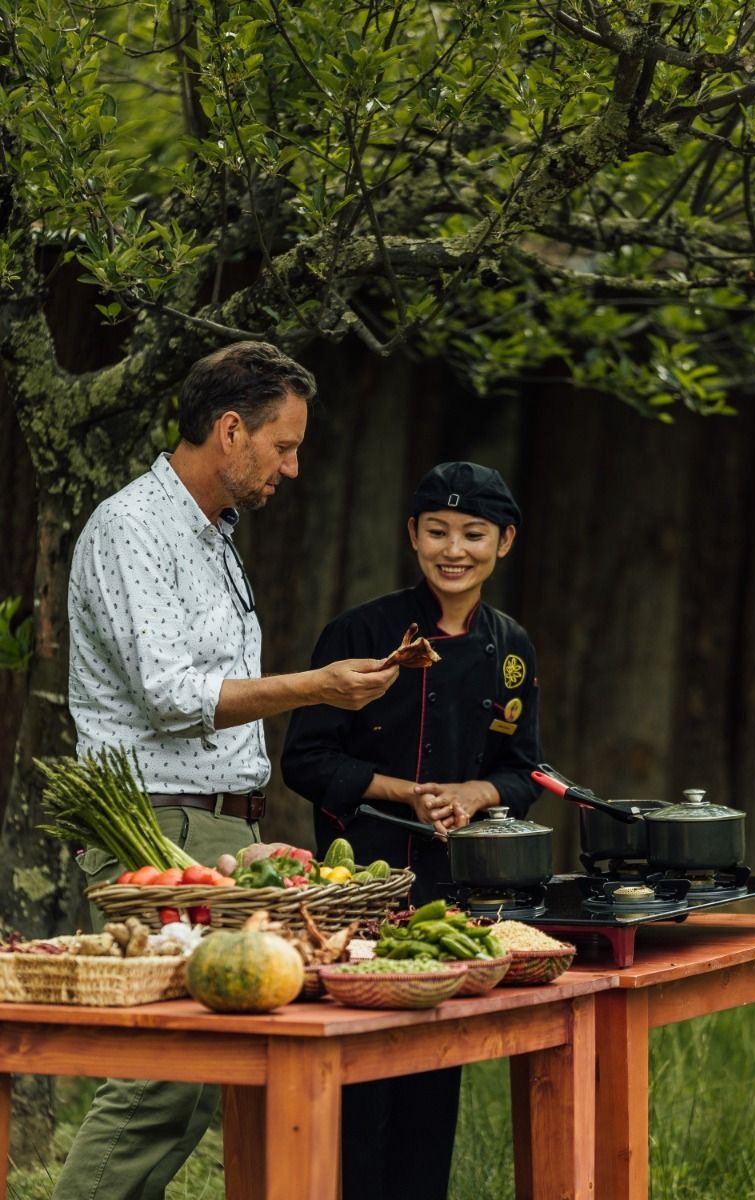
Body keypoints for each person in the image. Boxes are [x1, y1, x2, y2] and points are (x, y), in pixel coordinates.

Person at [55, 340, 399, 1200]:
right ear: (231, 430)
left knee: (193, 1081)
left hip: (210, 824)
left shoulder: (213, 534)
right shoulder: (133, 527)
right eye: (284, 446)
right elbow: (172, 696)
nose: (293, 467)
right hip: (153, 823)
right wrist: (317, 687)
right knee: (158, 1081)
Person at [281, 460, 542, 1200]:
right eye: (437, 531)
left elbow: (525, 771)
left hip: (452, 901)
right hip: (357, 892)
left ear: (505, 542)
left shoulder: (511, 647)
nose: (453, 550)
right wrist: (410, 794)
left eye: (473, 534)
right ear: (412, 535)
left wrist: (473, 793)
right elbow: (306, 760)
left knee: (433, 1077)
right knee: (359, 1089)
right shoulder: (361, 630)